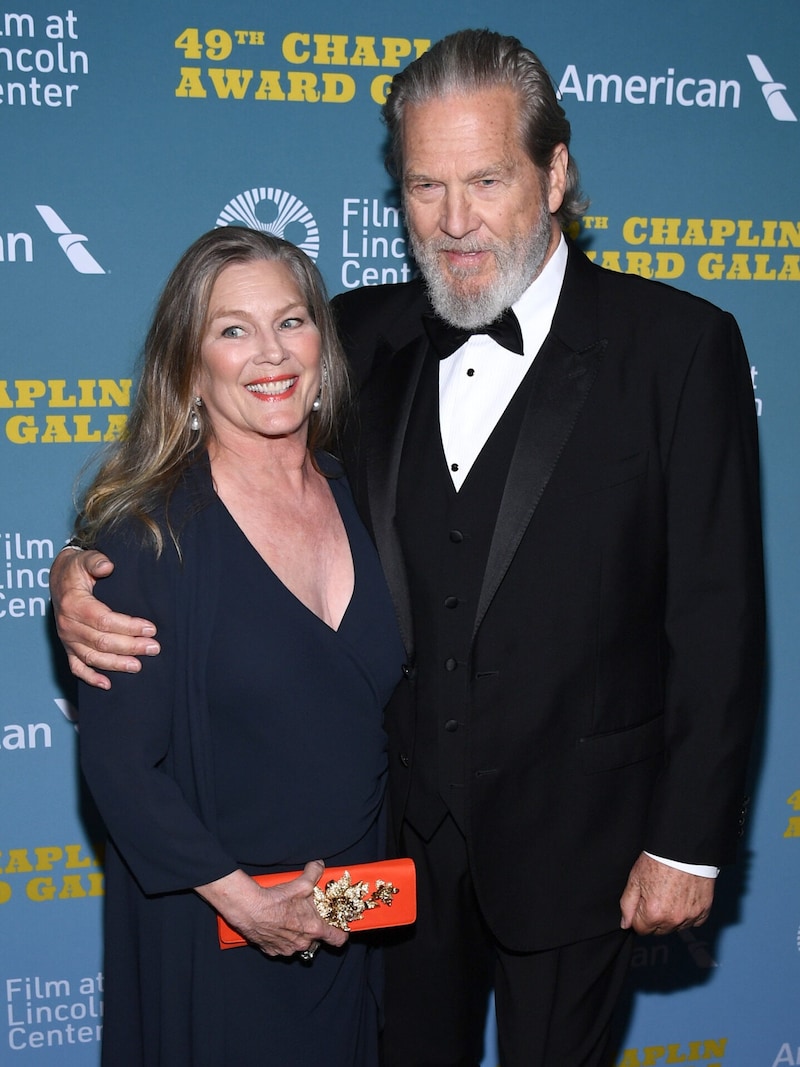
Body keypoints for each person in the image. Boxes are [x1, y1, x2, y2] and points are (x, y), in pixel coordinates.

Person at [51, 29, 764, 1067]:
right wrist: (79, 571)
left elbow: (716, 613)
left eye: (484, 179)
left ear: (554, 172)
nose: (454, 220)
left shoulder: (677, 347)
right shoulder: (358, 334)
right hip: (390, 858)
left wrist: (686, 838)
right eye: (424, 185)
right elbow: (211, 470)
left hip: (584, 847)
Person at [68, 226, 404, 1067]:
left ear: (322, 344)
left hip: (354, 922)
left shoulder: (361, 490)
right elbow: (119, 767)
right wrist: (244, 902)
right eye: (233, 329)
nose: (270, 353)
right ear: (189, 368)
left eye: (291, 321)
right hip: (215, 934)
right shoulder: (146, 538)